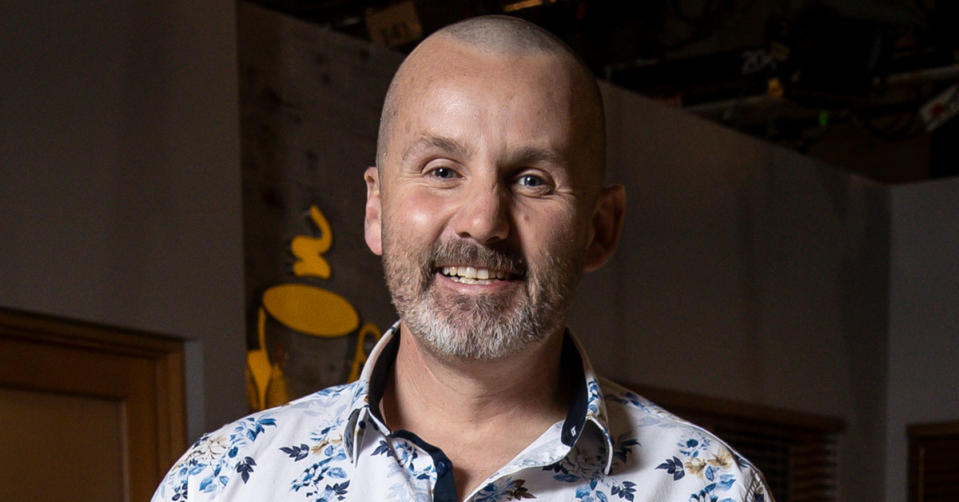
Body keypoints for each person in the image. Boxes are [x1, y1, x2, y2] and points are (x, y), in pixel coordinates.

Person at [152, 15, 772, 502]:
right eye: (442, 170)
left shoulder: (704, 490)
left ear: (600, 228)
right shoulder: (227, 482)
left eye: (532, 180)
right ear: (376, 209)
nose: (483, 220)